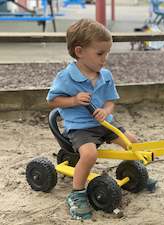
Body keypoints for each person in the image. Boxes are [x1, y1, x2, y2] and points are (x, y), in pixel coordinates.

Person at [46, 19, 139, 220]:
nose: (104, 59)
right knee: (89, 155)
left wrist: (106, 111)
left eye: (107, 53)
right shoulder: (66, 77)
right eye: (100, 53)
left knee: (133, 143)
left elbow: (110, 101)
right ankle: (77, 194)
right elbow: (53, 102)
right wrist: (73, 100)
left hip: (105, 123)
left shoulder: (104, 74)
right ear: (79, 52)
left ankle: (134, 175)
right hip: (81, 128)